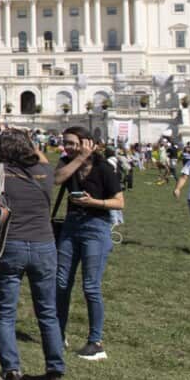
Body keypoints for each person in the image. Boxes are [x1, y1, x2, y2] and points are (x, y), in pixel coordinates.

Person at [0, 129, 64, 380]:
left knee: (5, 313)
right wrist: (32, 145)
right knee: (47, 312)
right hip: (44, 246)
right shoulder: (46, 173)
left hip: (8, 244)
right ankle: (55, 369)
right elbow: (43, 160)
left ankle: (12, 370)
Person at [53, 127, 124, 362]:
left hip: (96, 227)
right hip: (71, 226)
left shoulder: (104, 168)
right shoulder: (67, 162)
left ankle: (96, 342)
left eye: (73, 143)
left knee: (91, 286)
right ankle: (58, 334)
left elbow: (119, 202)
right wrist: (79, 157)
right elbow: (57, 179)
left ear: (87, 143)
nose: (68, 147)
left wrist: (93, 201)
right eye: (66, 143)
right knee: (61, 282)